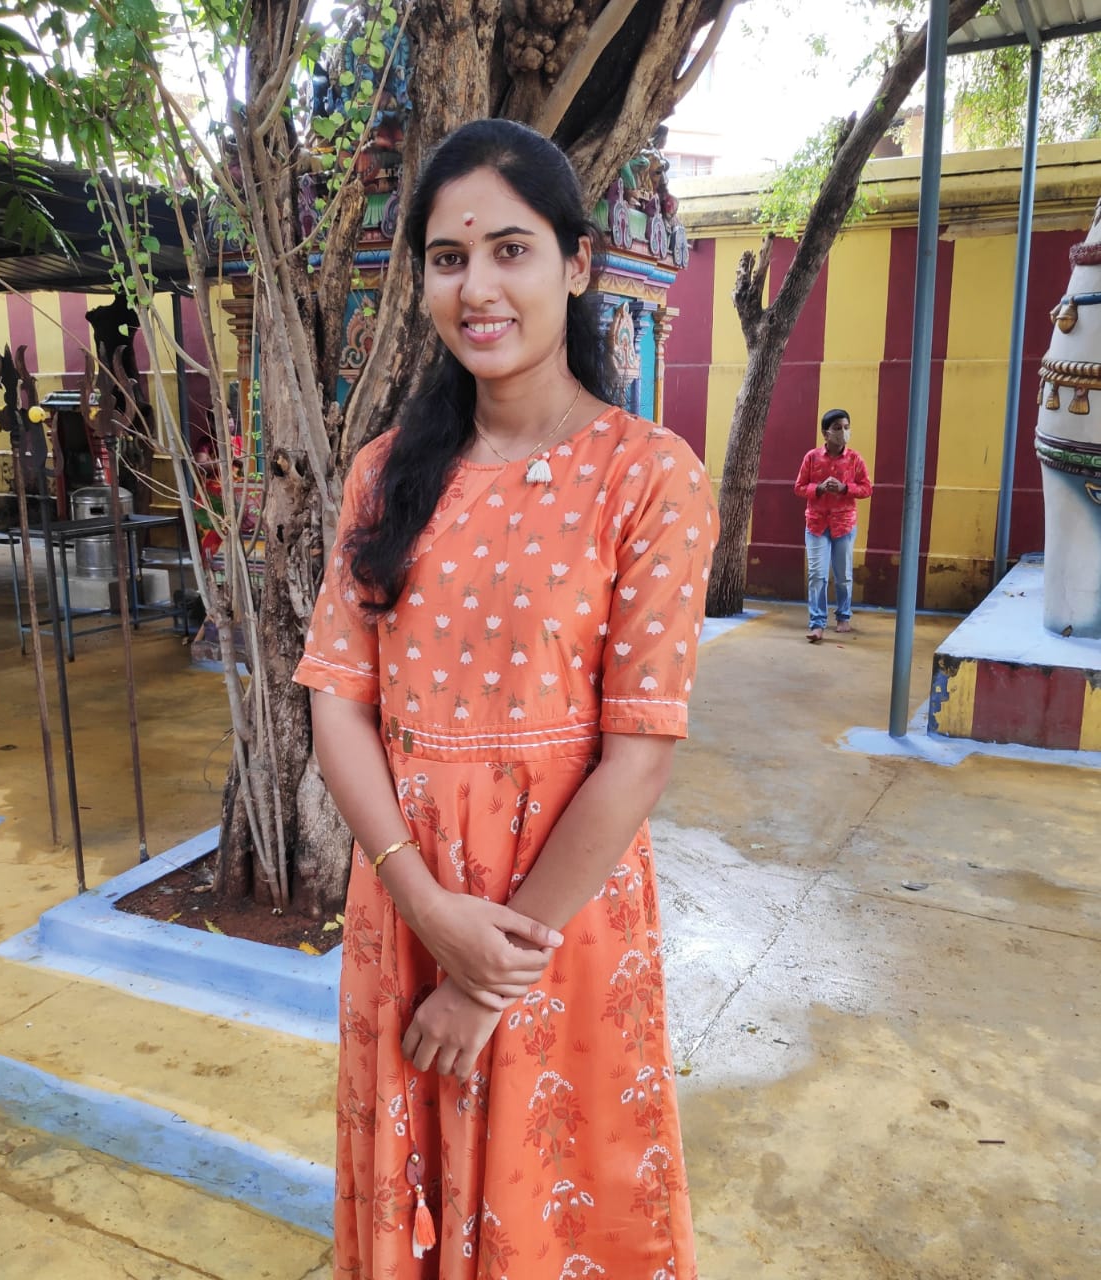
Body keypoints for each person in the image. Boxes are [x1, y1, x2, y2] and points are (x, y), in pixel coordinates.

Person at [292, 118, 718, 1279]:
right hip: (405, 895)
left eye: (509, 250)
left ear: (576, 264)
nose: (476, 288)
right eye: (447, 258)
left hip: (557, 918)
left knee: (552, 1204)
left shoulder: (647, 477)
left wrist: (487, 975)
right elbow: (339, 705)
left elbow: (637, 754)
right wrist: (425, 905)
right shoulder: (387, 473)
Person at [793, 408, 873, 642]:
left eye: (846, 427)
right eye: (837, 428)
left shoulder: (855, 459)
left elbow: (867, 488)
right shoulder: (811, 458)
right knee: (817, 575)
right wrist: (817, 488)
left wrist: (845, 488)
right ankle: (817, 623)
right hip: (816, 524)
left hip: (844, 525)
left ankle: (843, 617)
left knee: (843, 576)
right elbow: (798, 487)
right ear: (825, 433)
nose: (843, 432)